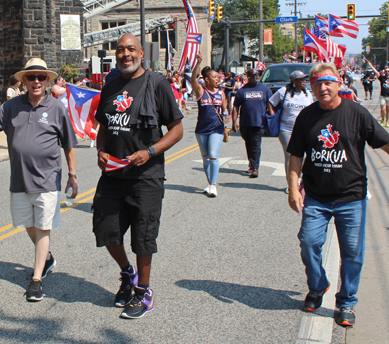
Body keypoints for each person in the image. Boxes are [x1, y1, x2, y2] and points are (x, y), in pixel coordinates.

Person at [286, 62, 389, 327]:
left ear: (339, 84)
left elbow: (387, 143)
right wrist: (293, 188)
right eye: (317, 83)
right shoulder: (306, 117)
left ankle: (347, 302)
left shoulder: (357, 113)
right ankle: (318, 286)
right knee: (308, 242)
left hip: (351, 198)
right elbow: (296, 155)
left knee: (352, 252)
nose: (323, 88)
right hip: (316, 198)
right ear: (312, 86)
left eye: (328, 82)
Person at [0, 58, 79, 302]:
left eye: (40, 77)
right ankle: (46, 258)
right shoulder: (11, 105)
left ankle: (36, 280)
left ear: (47, 80)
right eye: (31, 77)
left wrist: (72, 175)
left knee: (43, 226)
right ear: (23, 80)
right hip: (20, 179)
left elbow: (69, 145)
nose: (36, 81)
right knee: (28, 225)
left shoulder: (57, 108)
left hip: (48, 179)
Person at [93, 34, 183, 319]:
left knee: (143, 236)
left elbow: (177, 129)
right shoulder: (110, 85)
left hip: (146, 175)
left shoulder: (157, 84)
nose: (125, 54)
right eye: (120, 50)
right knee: (105, 230)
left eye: (130, 49)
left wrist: (151, 151)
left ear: (141, 53)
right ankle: (127, 273)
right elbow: (104, 126)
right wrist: (101, 149)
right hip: (113, 173)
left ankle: (144, 293)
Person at [191, 51, 229, 197]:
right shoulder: (201, 91)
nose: (217, 79)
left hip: (217, 129)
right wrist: (198, 63)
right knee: (205, 157)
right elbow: (193, 78)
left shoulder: (221, 93)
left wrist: (226, 116)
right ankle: (209, 183)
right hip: (201, 129)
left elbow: (224, 110)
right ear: (206, 79)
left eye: (218, 77)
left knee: (213, 155)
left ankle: (213, 184)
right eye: (214, 77)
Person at [268, 71, 313, 192]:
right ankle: (291, 184)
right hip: (286, 129)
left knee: (303, 157)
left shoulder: (308, 93)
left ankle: (300, 180)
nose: (304, 81)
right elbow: (271, 103)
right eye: (301, 79)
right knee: (290, 155)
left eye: (305, 79)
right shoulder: (284, 91)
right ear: (294, 81)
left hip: (304, 130)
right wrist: (273, 117)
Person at [232, 69, 273, 178]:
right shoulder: (241, 91)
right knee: (248, 143)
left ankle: (255, 168)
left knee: (255, 144)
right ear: (248, 77)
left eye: (258, 75)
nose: (256, 77)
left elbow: (269, 105)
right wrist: (234, 121)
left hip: (259, 122)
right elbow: (236, 107)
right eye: (254, 75)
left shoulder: (265, 89)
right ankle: (251, 164)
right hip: (245, 123)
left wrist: (272, 118)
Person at [368, 63, 389, 128]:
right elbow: (376, 72)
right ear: (384, 72)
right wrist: (371, 66)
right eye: (386, 71)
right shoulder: (382, 78)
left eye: (388, 71)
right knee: (383, 109)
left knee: (388, 110)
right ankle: (382, 119)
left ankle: (387, 122)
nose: (387, 72)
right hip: (383, 96)